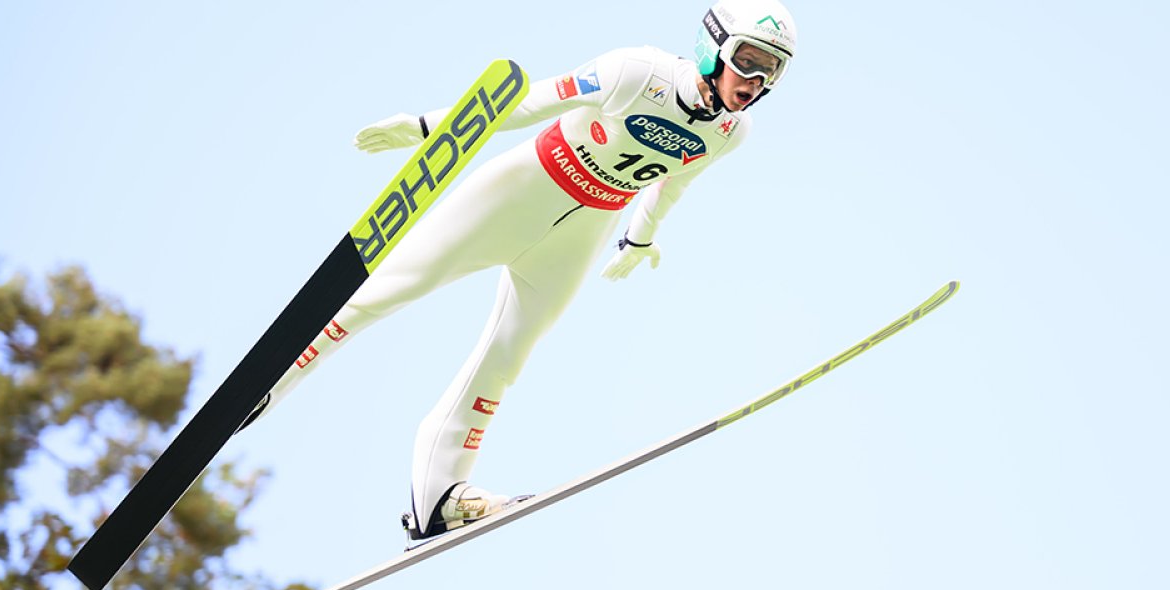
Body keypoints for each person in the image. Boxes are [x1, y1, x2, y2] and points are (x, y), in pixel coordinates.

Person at [243, 0, 799, 540]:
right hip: (523, 192)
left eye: (772, 69)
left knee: (508, 355)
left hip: (584, 231)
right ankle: (269, 381)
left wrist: (638, 237)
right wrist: (425, 126)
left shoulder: (730, 133)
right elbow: (526, 104)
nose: (756, 80)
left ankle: (438, 496)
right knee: (389, 289)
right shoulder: (636, 70)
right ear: (714, 44)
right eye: (749, 59)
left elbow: (672, 182)